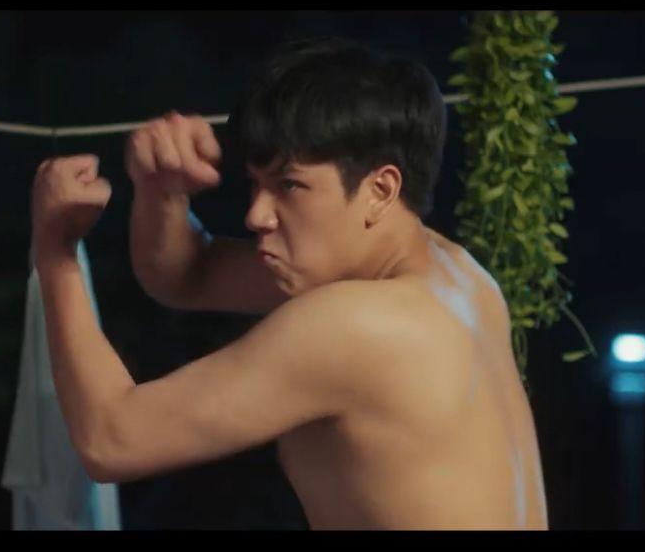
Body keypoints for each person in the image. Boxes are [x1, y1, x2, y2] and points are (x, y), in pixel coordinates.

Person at [29, 37, 548, 529]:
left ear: (380, 189)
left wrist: (55, 251)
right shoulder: (461, 279)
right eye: (257, 184)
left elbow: (110, 440)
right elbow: (188, 276)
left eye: (290, 186)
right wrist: (162, 193)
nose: (256, 215)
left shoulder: (358, 326)